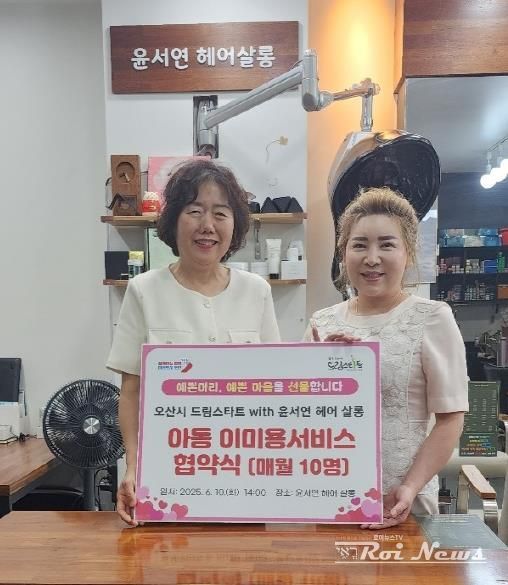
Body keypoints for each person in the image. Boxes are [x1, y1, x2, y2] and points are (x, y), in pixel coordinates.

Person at [107, 158, 280, 525]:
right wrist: (133, 466)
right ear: (173, 220)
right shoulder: (143, 291)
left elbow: (275, 388)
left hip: (245, 476)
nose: (207, 225)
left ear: (235, 224)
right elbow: (131, 392)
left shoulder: (257, 292)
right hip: (169, 477)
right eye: (195, 211)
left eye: (221, 213)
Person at [305, 186, 468, 529]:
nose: (372, 258)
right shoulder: (322, 323)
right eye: (359, 245)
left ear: (408, 253)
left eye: (387, 244)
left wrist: (409, 487)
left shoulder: (432, 318)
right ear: (343, 253)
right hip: (331, 498)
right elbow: (300, 414)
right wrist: (321, 366)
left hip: (402, 503)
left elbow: (451, 419)